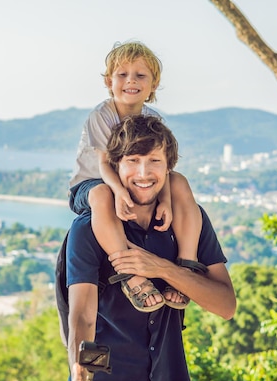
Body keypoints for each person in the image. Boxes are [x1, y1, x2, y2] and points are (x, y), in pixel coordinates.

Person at [64, 114, 236, 381]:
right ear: (115, 167)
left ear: (168, 167)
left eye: (154, 161)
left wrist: (164, 269)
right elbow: (82, 316)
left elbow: (225, 305)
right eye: (132, 160)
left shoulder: (189, 222)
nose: (143, 173)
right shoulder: (89, 229)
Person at [68, 40, 205, 312]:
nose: (131, 81)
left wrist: (165, 199)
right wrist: (119, 193)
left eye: (140, 75)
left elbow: (162, 166)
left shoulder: (153, 119)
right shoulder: (101, 116)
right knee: (101, 193)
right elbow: (105, 165)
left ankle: (187, 265)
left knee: (179, 181)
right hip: (94, 185)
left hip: (133, 182)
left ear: (153, 84)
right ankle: (130, 273)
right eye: (122, 75)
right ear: (109, 81)